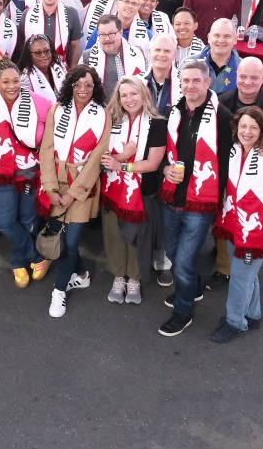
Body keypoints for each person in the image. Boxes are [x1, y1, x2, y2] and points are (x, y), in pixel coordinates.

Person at [157, 59, 233, 337]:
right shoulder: (174, 112)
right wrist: (165, 169)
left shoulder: (222, 116)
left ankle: (183, 310)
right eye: (185, 81)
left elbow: (227, 161)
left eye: (196, 80)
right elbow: (163, 151)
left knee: (184, 262)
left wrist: (222, 198)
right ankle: (192, 287)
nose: (190, 85)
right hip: (173, 195)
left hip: (201, 202)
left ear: (207, 82)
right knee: (174, 254)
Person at [211, 106, 263, 343]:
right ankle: (252, 314)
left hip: (257, 232)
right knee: (248, 275)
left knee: (240, 276)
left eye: (253, 127)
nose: (247, 132)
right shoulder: (235, 152)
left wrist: (253, 226)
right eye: (243, 126)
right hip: (235, 225)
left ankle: (236, 322)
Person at [37, 65, 110, 316]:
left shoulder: (103, 114)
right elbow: (47, 149)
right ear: (70, 85)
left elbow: (96, 160)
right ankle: (81, 274)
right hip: (56, 181)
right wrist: (49, 186)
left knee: (71, 240)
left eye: (88, 85)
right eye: (77, 84)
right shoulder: (57, 109)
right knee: (61, 237)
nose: (83, 89)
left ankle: (59, 292)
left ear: (95, 87)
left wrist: (73, 193)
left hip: (82, 186)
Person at [99, 75, 168, 305]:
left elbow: (153, 164)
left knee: (138, 238)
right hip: (113, 190)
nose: (129, 99)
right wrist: (123, 156)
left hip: (142, 192)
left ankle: (134, 279)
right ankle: (119, 276)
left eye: (134, 93)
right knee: (114, 236)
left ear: (144, 94)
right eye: (124, 95)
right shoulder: (111, 120)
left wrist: (121, 165)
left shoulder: (157, 123)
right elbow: (103, 158)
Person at [0, 58, 51, 287]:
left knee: (27, 219)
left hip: (30, 172)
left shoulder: (39, 102)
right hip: (1, 172)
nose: (12, 86)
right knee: (0, 220)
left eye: (16, 81)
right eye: (5, 82)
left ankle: (17, 262)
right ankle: (35, 255)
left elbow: (54, 130)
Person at [21, 0, 83, 66]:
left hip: (62, 69)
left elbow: (76, 45)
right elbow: (21, 45)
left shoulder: (71, 13)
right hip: (33, 69)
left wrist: (73, 71)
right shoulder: (27, 14)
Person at [83, 14, 147, 97]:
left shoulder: (141, 55)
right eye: (102, 35)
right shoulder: (86, 57)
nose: (107, 39)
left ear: (120, 32)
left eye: (111, 34)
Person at [85, 0, 150, 57]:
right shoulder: (101, 30)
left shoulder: (147, 34)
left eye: (134, 3)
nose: (130, 6)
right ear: (117, 3)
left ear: (138, 7)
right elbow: (86, 58)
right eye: (126, 1)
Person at [18, 33, 66, 107]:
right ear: (29, 55)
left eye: (47, 51)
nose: (43, 55)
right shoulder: (24, 78)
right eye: (38, 53)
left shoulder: (61, 68)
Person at [198, 18, 241, 94]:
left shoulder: (243, 68)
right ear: (209, 38)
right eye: (216, 35)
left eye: (227, 36)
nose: (221, 40)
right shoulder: (190, 63)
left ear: (235, 39)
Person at [146, 32, 181, 117]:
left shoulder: (184, 84)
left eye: (167, 51)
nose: (161, 54)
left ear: (174, 55)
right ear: (150, 52)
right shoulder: (138, 81)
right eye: (157, 50)